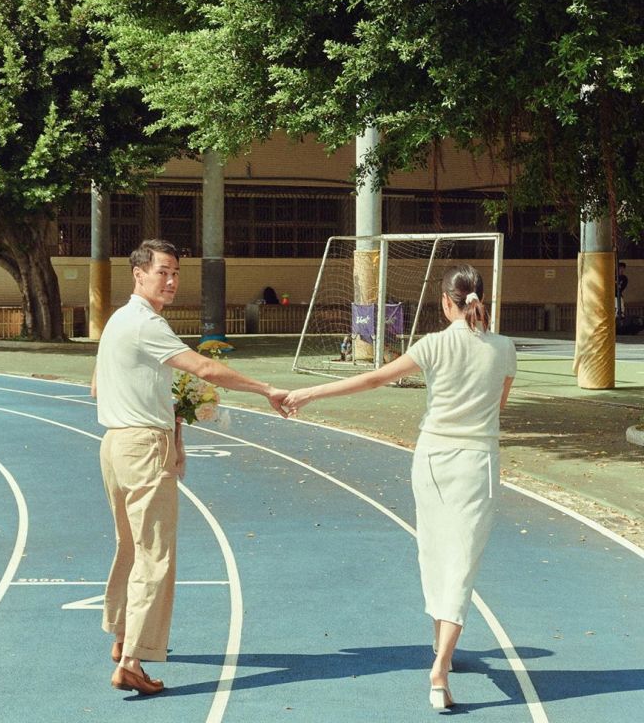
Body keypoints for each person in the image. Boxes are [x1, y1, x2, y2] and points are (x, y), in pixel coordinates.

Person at [283, 264, 516, 711]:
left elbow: (372, 378)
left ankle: (439, 652)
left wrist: (308, 395)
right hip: (476, 462)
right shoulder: (504, 349)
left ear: (445, 302)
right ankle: (440, 668)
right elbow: (497, 406)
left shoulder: (431, 344)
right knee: (461, 564)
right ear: (480, 299)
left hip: (430, 460)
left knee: (434, 553)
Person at [91, 238, 288, 695]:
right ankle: (134, 660)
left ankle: (122, 638)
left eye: (176, 272)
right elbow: (205, 368)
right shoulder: (145, 323)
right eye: (163, 272)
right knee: (155, 555)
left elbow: (98, 388)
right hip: (142, 447)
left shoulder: (117, 321)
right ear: (138, 274)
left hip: (115, 445)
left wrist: (170, 419)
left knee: (130, 546)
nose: (172, 280)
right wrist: (266, 389)